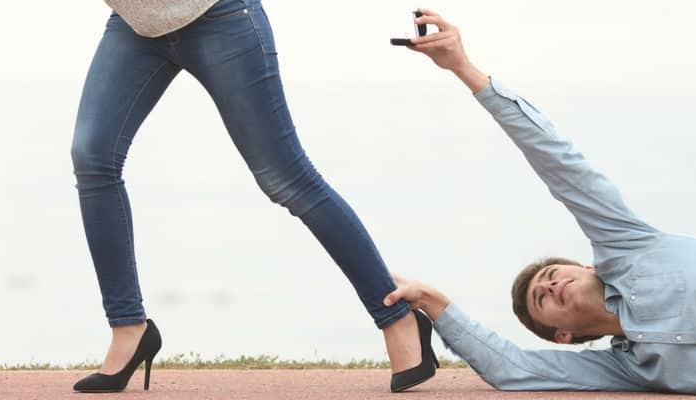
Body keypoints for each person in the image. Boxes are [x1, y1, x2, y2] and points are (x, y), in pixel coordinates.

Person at [383, 8, 696, 397]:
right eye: (543, 299)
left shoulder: (631, 249)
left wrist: (463, 68)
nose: (551, 285)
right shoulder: (629, 369)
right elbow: (512, 369)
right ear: (563, 335)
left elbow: (558, 161)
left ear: (587, 267)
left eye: (552, 275)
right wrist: (434, 303)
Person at [70, 0, 438, 393]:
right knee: (92, 156)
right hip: (136, 23)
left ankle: (397, 318)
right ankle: (129, 328)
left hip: (221, 17)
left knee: (287, 179)